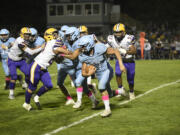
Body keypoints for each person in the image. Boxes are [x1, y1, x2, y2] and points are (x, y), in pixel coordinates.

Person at [23, 28, 70, 111]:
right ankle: (26, 103)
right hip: (37, 66)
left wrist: (61, 56)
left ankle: (36, 97)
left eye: (56, 34)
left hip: (43, 68)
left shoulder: (50, 43)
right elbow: (58, 50)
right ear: (49, 36)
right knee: (32, 87)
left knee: (49, 85)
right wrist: (69, 52)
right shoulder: (52, 42)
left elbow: (57, 60)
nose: (57, 36)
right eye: (54, 34)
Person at [78, 35, 126, 117]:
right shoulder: (83, 56)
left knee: (101, 87)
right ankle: (121, 91)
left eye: (83, 46)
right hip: (99, 75)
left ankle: (107, 109)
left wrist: (121, 64)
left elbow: (116, 51)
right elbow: (83, 72)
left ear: (89, 44)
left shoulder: (99, 48)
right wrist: (89, 73)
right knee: (109, 94)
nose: (81, 48)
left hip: (107, 70)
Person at [64, 27, 98, 109]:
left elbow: (73, 56)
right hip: (77, 67)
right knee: (85, 89)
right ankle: (95, 101)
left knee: (78, 83)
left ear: (74, 35)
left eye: (69, 36)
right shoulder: (70, 43)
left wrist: (62, 55)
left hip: (84, 66)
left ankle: (79, 101)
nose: (67, 38)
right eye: (67, 36)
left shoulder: (79, 43)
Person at [8, 27, 44, 99]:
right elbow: (30, 52)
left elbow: (30, 49)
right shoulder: (20, 41)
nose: (27, 36)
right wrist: (41, 48)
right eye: (26, 34)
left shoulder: (26, 40)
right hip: (12, 60)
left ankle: (28, 90)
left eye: (28, 34)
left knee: (29, 74)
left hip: (21, 60)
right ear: (22, 34)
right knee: (13, 77)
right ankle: (11, 93)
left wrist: (37, 47)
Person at [106, 23, 136, 100]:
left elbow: (134, 51)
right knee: (118, 73)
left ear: (124, 32)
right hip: (120, 60)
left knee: (130, 79)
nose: (117, 34)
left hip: (129, 61)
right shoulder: (110, 38)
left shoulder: (129, 38)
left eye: (119, 32)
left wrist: (126, 51)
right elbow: (107, 48)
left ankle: (131, 92)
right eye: (116, 32)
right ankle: (120, 89)